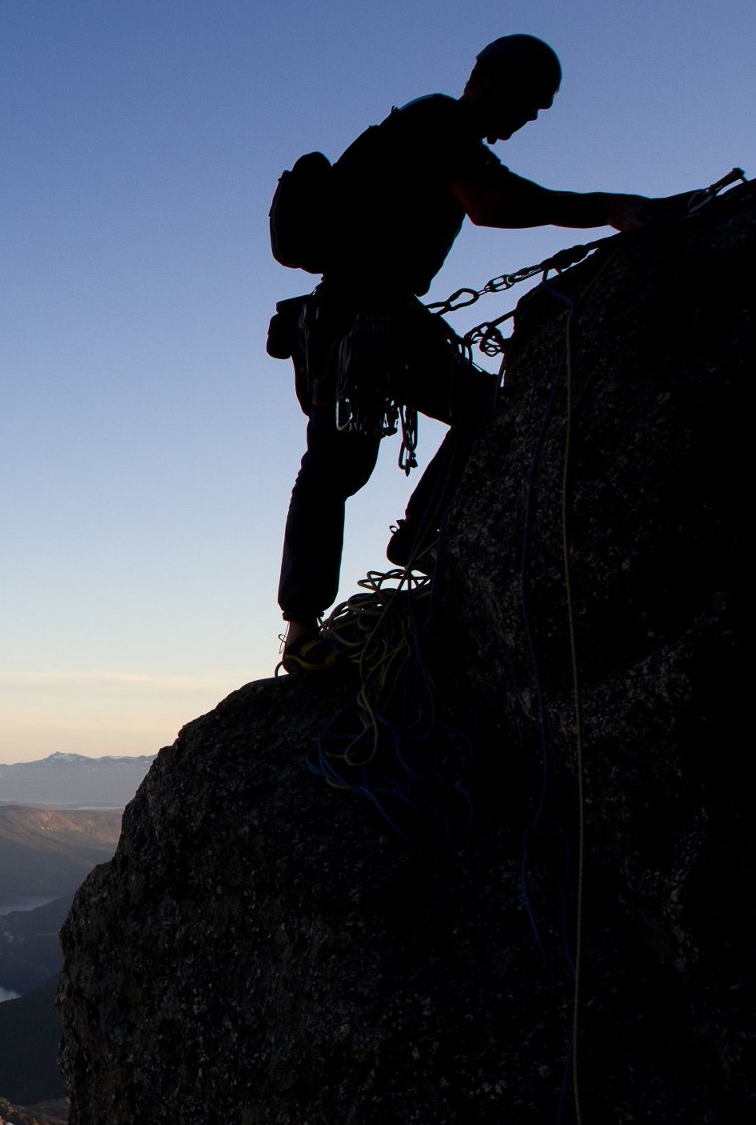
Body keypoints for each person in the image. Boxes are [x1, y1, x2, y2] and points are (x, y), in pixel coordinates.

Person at [275, 35, 663, 673]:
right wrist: (610, 209)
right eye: (531, 97)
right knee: (339, 466)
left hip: (371, 315)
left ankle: (415, 542)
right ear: (486, 77)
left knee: (469, 416)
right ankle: (306, 626)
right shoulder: (437, 121)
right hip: (358, 316)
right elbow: (492, 205)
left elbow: (498, 195)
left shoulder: (446, 134)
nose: (534, 114)